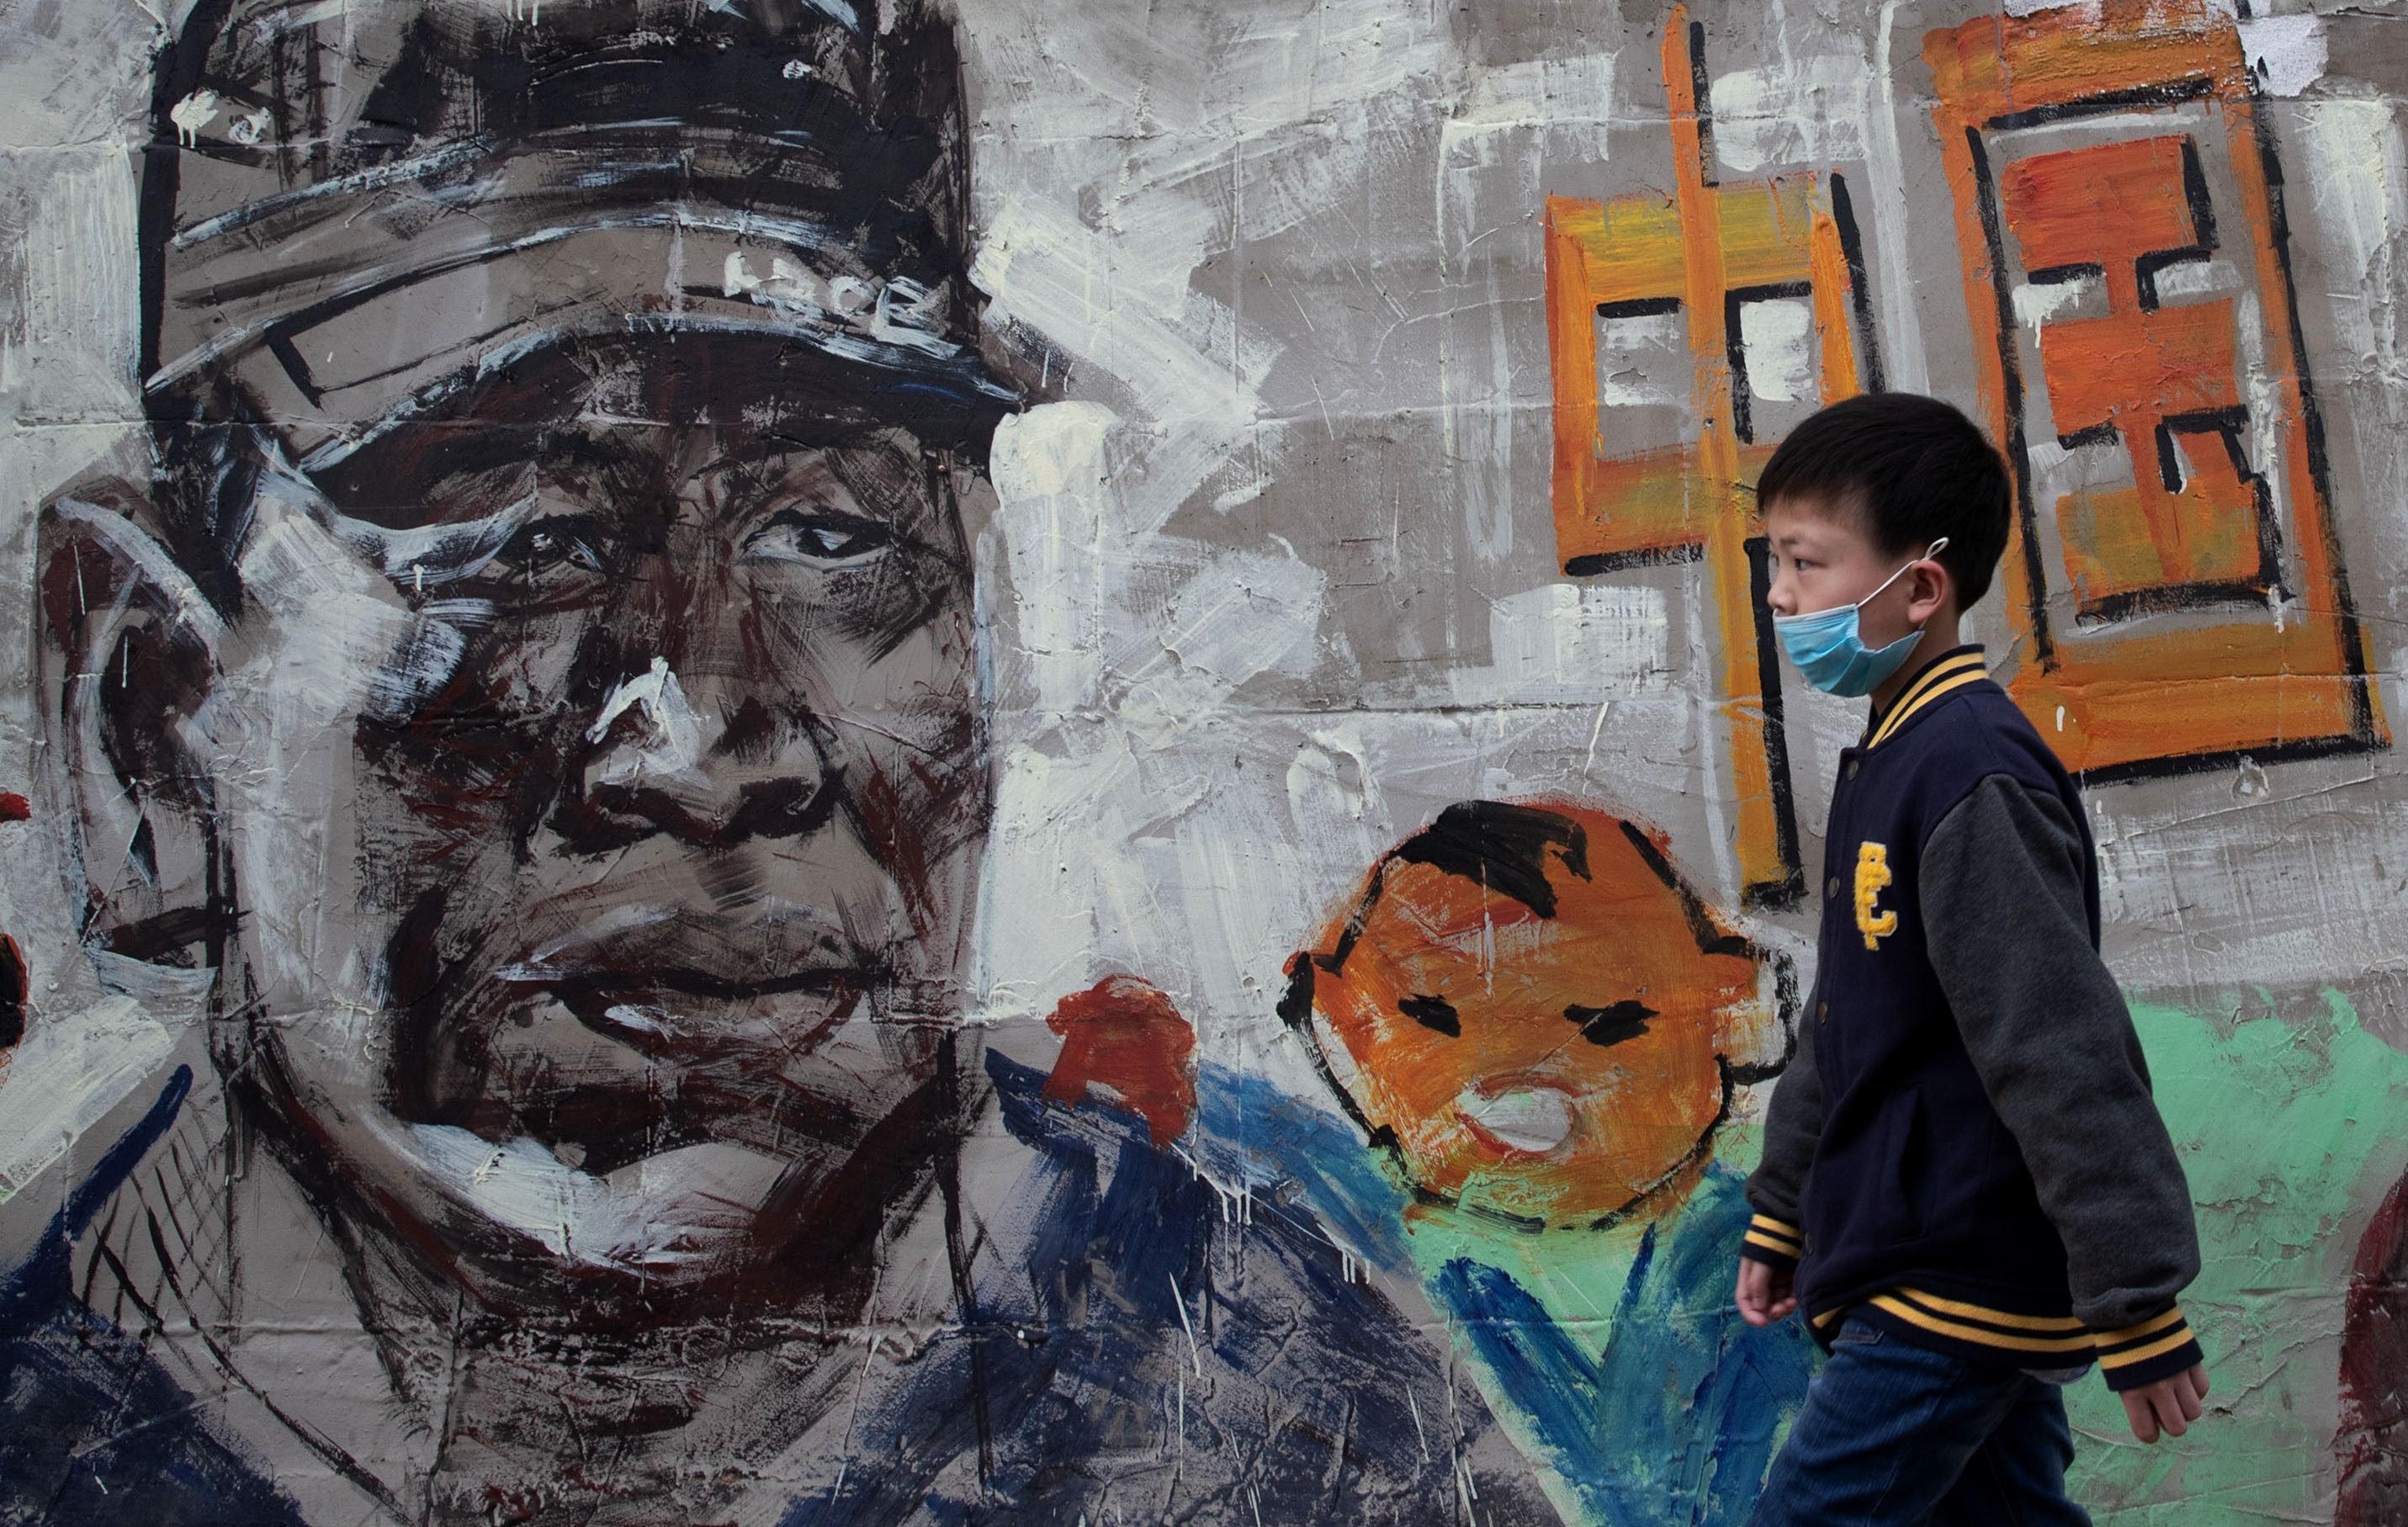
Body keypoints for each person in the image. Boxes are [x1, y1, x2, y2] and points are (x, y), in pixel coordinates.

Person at [3, 2, 1554, 1520]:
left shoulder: (1284, 1399)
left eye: (832, 532)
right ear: (146, 717)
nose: (703, 747)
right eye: (524, 538)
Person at [1732, 392, 2210, 1524]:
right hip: (1919, 1258)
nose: (1779, 594)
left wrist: (2133, 1295)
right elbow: (1850, 1019)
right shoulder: (1893, 753)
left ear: (1919, 585)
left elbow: (2056, 1041)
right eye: (1773, 562)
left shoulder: (1967, 769)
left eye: (1805, 562)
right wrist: (1783, 1207)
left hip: (1953, 1275)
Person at [1282, 798, 1817, 1524]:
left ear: (1730, 1008)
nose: (1509, 1067)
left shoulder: (1774, 1234)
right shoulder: (1343, 1250)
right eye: (1435, 1018)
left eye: (1608, 1024)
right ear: (1343, 1022)